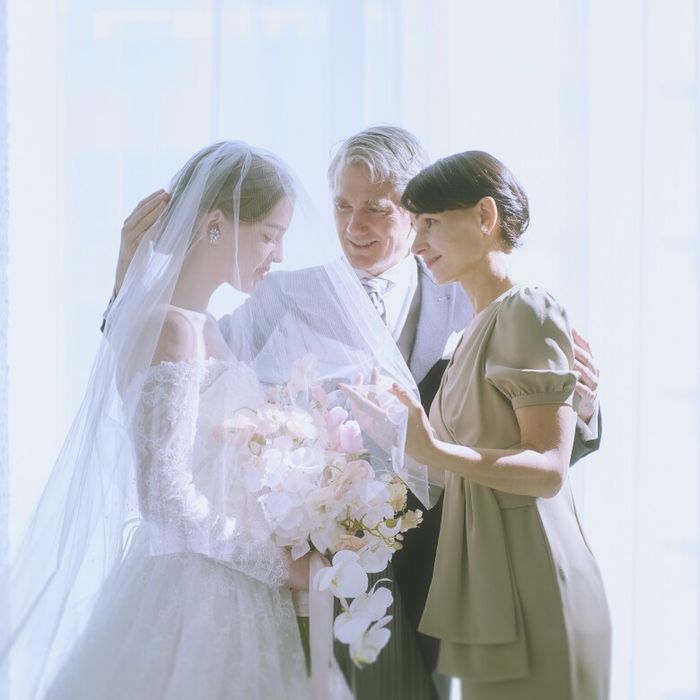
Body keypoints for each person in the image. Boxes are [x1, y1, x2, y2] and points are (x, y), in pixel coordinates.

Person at [115, 126, 603, 700]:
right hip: (317, 585)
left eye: (376, 208)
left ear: (415, 211)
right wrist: (124, 286)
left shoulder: (472, 296)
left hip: (445, 574)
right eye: (342, 206)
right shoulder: (281, 296)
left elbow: (536, 445)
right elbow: (168, 375)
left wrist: (581, 404)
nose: (354, 226)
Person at [2, 141, 367, 699]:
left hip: (233, 580)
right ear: (215, 224)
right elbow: (164, 499)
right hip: (197, 592)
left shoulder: (206, 327)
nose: (278, 253)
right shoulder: (173, 330)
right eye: (269, 234)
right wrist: (281, 565)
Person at [385, 150, 611, 698]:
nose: (416, 245)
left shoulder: (526, 308)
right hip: (487, 599)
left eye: (430, 223)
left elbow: (549, 469)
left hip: (536, 583)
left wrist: (431, 449)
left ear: (485, 216)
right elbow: (444, 471)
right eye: (415, 226)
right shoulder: (468, 336)